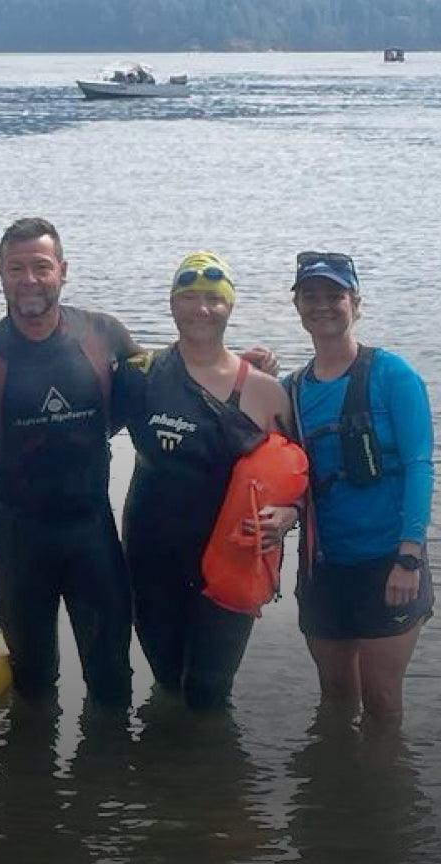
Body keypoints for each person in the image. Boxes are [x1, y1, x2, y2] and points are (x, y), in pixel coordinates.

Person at [0, 217, 138, 705]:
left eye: (41, 267)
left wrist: (237, 372)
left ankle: (110, 758)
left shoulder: (103, 333)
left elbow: (165, 386)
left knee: (112, 682)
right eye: (17, 268)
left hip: (92, 532)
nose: (30, 280)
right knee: (32, 683)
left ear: (63, 269)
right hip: (16, 539)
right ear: (0, 273)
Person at [115, 253, 295, 710]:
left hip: (234, 556)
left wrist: (290, 515)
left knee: (209, 692)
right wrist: (3, 469)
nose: (201, 309)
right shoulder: (140, 376)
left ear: (230, 306)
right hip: (151, 558)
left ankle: (208, 752)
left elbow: (300, 475)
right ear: (172, 303)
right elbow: (79, 437)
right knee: (168, 682)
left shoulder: (264, 390)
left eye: (214, 299)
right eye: (189, 297)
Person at [288, 251, 434, 726]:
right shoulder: (291, 389)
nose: (322, 306)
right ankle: (337, 772)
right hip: (323, 566)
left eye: (335, 295)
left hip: (388, 561)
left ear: (356, 303)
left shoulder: (393, 375)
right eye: (311, 296)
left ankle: (384, 773)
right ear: (296, 305)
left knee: (382, 699)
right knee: (335, 697)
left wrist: (409, 557)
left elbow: (419, 466)